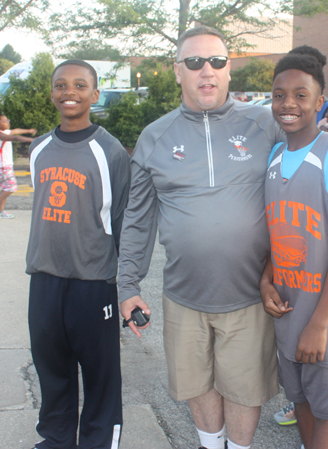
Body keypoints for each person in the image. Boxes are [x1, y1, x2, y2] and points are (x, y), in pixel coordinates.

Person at [117, 27, 328, 449]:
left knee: (243, 388)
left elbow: (314, 144)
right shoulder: (154, 137)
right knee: (198, 385)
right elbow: (137, 220)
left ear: (229, 70)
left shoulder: (265, 121)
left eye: (216, 61)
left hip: (251, 296)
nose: (206, 71)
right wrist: (127, 286)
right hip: (183, 295)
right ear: (177, 71)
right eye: (194, 62)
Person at [260, 47, 328, 449]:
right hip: (291, 309)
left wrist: (320, 323)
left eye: (300, 95)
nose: (288, 103)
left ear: (319, 102)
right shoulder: (275, 156)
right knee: (303, 403)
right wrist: (266, 280)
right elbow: (279, 232)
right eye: (279, 94)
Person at [26, 59, 131, 449]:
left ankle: (99, 442)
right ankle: (55, 439)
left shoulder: (110, 151)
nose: (69, 92)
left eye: (80, 85)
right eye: (61, 85)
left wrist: (126, 284)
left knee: (101, 376)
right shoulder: (39, 149)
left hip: (93, 282)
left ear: (95, 94)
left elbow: (121, 218)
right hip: (45, 278)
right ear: (52, 92)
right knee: (52, 370)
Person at [0, 113, 36, 218]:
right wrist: (32, 140)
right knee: (11, 187)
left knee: (5, 189)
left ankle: (1, 212)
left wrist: (28, 131)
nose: (8, 122)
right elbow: (15, 137)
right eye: (4, 121)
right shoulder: (1, 135)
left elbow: (16, 131)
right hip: (3, 167)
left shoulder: (4, 132)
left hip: (5, 166)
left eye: (8, 120)